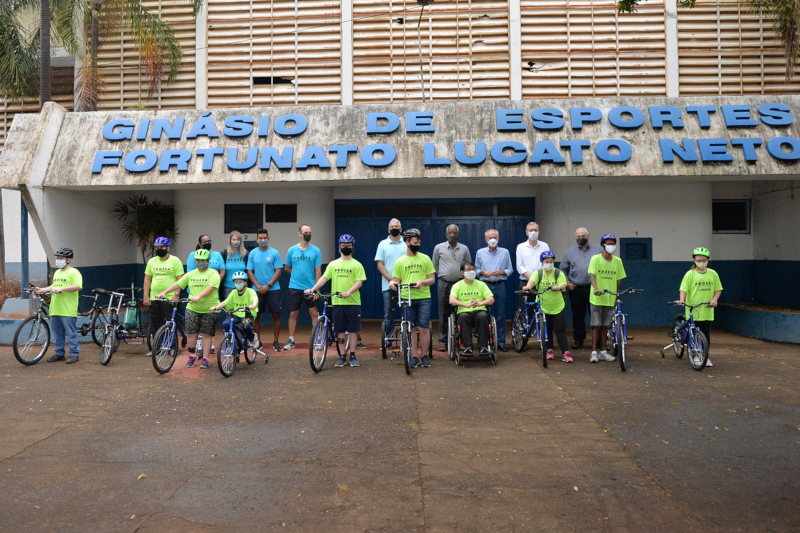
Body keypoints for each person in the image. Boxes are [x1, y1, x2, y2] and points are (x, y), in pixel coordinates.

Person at [306, 234, 366, 368]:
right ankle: (342, 356)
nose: (345, 247)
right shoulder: (333, 264)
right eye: (343, 245)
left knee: (353, 330)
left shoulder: (357, 265)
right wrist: (313, 289)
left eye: (348, 245)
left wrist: (349, 292)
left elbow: (359, 282)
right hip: (337, 303)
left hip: (353, 302)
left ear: (352, 247)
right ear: (339, 248)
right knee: (340, 330)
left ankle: (353, 355)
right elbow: (324, 278)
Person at [157, 249, 220, 369]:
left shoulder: (213, 273)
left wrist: (199, 296)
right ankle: (192, 355)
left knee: (207, 334)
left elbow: (212, 287)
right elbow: (179, 284)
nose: (200, 262)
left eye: (203, 260)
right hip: (192, 307)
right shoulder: (191, 274)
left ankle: (205, 358)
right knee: (191, 333)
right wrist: (164, 292)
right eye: (198, 260)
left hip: (209, 309)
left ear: (207, 261)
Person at [390, 229, 436, 369]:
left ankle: (425, 356)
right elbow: (396, 280)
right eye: (415, 242)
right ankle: (414, 356)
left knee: (423, 328)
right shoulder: (400, 261)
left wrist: (421, 283)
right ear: (407, 242)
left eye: (419, 242)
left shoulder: (425, 258)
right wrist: (392, 283)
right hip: (406, 297)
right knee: (411, 328)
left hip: (423, 297)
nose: (418, 244)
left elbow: (432, 279)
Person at [677, 247, 723, 367]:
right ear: (694, 261)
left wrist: (714, 299)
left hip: (707, 310)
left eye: (703, 260)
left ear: (707, 260)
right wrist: (682, 300)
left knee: (705, 334)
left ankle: (704, 356)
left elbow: (718, 289)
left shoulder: (713, 274)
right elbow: (683, 289)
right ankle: (696, 356)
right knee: (694, 333)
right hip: (693, 309)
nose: (701, 262)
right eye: (698, 260)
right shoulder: (690, 274)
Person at [37, 247, 82, 364]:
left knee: (71, 333)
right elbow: (54, 286)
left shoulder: (74, 272)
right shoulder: (57, 272)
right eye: (57, 258)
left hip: (67, 309)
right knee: (57, 333)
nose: (58, 260)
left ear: (68, 260)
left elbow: (78, 286)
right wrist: (42, 289)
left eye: (61, 258)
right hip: (55, 308)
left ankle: (74, 354)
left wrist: (62, 289)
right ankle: (59, 353)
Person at [524, 251, 571, 362]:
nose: (549, 263)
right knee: (547, 330)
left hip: (558, 306)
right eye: (546, 262)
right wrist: (527, 287)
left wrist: (558, 287)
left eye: (551, 261)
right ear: (542, 262)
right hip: (543, 306)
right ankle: (549, 350)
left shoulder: (558, 273)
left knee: (560, 330)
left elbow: (564, 285)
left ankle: (565, 352)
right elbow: (531, 282)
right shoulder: (538, 273)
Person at [560, 228, 603, 350]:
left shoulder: (598, 250)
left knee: (596, 315)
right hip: (577, 289)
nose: (580, 238)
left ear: (588, 236)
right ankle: (579, 339)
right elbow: (563, 269)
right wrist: (567, 282)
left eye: (583, 236)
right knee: (578, 316)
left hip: (594, 289)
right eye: (578, 236)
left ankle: (600, 341)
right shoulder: (570, 252)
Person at [432, 224, 471, 353]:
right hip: (444, 283)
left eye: (455, 232)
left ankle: (461, 340)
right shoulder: (439, 248)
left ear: (458, 235)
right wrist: (444, 275)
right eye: (450, 232)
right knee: (443, 311)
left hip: (460, 283)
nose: (452, 234)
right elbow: (435, 266)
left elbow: (468, 266)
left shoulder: (464, 248)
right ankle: (443, 341)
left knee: (461, 312)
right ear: (446, 234)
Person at [588, 234, 626, 363]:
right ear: (603, 245)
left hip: (610, 298)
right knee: (596, 325)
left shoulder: (618, 261)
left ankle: (603, 352)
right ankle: (594, 353)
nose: (611, 246)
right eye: (608, 243)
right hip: (597, 298)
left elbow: (618, 280)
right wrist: (596, 288)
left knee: (605, 326)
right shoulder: (595, 259)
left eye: (613, 243)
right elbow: (592, 276)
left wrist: (617, 295)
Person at [143, 236, 184, 356]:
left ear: (168, 248)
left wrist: (177, 294)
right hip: (154, 297)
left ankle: (171, 346)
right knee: (155, 322)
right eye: (157, 247)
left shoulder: (175, 261)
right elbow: (147, 279)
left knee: (169, 322)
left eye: (161, 247)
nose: (159, 249)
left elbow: (180, 279)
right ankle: (158, 347)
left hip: (169, 297)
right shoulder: (152, 261)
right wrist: (146, 296)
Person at [283, 224, 322, 350]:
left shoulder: (316, 250)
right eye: (305, 232)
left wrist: (316, 289)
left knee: (314, 313)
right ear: (299, 234)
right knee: (293, 314)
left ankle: (317, 340)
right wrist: (295, 277)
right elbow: (287, 268)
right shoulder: (291, 250)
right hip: (294, 287)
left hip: (311, 288)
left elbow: (318, 271)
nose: (308, 234)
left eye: (310, 232)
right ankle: (291, 340)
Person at [475, 229, 513, 352]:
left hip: (499, 285)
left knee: (501, 315)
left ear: (498, 239)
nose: (492, 240)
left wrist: (502, 272)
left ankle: (501, 342)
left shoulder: (504, 252)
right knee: (483, 315)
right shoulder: (480, 252)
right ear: (486, 240)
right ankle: (485, 342)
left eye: (495, 237)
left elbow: (510, 269)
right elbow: (475, 270)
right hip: (484, 285)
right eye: (490, 238)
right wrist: (482, 272)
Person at [247, 228, 283, 353]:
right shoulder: (252, 254)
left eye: (265, 238)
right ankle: (258, 342)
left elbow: (278, 271)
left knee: (276, 316)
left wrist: (268, 285)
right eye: (260, 238)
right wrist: (257, 286)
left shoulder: (275, 253)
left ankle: (276, 342)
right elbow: (249, 272)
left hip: (273, 290)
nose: (262, 240)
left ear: (268, 239)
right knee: (255, 316)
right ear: (257, 240)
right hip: (256, 290)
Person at [187, 234, 224, 354]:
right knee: (194, 325)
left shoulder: (217, 255)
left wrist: (215, 282)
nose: (207, 243)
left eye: (209, 241)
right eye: (204, 241)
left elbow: (222, 271)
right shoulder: (192, 255)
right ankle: (198, 346)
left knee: (208, 325)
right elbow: (190, 274)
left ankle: (210, 345)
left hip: (211, 291)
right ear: (199, 243)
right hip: (194, 293)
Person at [448, 261, 495, 356]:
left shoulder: (481, 284)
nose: (471, 271)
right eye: (468, 269)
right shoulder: (457, 285)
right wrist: (466, 305)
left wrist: (479, 303)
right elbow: (451, 300)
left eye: (473, 269)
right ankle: (468, 347)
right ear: (462, 272)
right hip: (464, 311)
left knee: (483, 316)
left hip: (480, 310)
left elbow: (491, 299)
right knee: (463, 317)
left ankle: (483, 347)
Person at [211, 271, 260, 358]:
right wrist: (216, 307)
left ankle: (253, 338)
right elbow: (226, 302)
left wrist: (253, 305)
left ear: (245, 282)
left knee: (245, 326)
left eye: (240, 282)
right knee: (225, 324)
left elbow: (255, 299)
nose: (238, 284)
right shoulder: (233, 292)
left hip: (247, 314)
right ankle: (230, 343)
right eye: (236, 282)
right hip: (237, 314)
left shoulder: (250, 291)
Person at [375, 218, 407, 348]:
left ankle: (405, 339)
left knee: (404, 312)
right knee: (388, 313)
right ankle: (388, 339)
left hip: (405, 285)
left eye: (396, 226)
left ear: (400, 229)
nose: (394, 228)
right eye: (392, 226)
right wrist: (391, 279)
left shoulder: (406, 243)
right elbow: (380, 265)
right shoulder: (383, 244)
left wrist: (399, 280)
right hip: (387, 285)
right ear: (388, 229)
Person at [516, 222, 550, 307]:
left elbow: (547, 263)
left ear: (539, 232)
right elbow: (519, 266)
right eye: (531, 230)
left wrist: (538, 278)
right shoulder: (521, 247)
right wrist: (532, 278)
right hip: (525, 282)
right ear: (526, 232)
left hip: (541, 283)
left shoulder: (544, 246)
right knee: (525, 309)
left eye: (535, 230)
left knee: (542, 307)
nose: (533, 232)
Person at [221, 231, 248, 299]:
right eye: (233, 239)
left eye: (237, 239)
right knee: (229, 308)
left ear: (240, 241)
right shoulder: (224, 253)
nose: (235, 241)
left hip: (243, 287)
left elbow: (249, 271)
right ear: (230, 241)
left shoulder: (246, 254)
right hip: (228, 287)